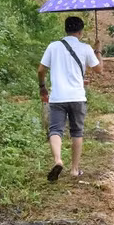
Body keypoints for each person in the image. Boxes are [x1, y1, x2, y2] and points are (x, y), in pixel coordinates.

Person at [38, 16, 103, 181]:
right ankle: (74, 170)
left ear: (65, 29)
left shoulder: (53, 47)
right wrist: (98, 50)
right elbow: (99, 70)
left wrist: (42, 87)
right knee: (77, 132)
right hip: (77, 97)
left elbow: (41, 70)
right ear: (80, 32)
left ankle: (58, 160)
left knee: (55, 130)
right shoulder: (86, 48)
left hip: (58, 97)